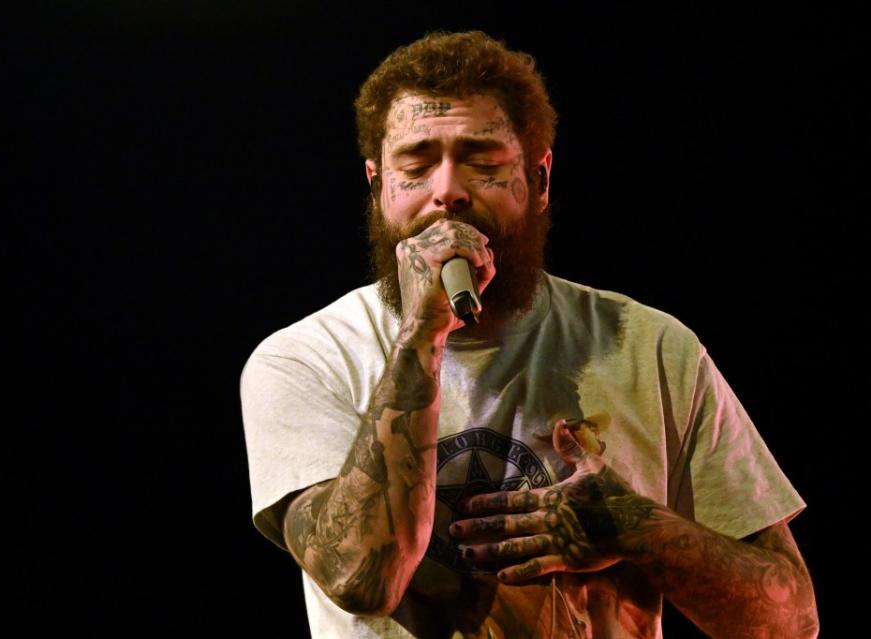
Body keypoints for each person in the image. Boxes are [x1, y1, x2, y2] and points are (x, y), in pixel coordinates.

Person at [240, 31, 818, 638]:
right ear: (378, 185)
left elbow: (789, 621)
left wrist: (642, 528)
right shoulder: (303, 361)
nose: (447, 192)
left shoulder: (653, 348)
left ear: (539, 180)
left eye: (482, 161)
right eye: (416, 165)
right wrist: (420, 333)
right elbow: (361, 579)